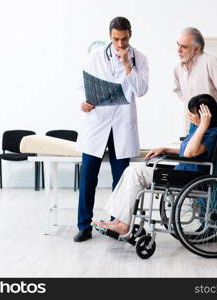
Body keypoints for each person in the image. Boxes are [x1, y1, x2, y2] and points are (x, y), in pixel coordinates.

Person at [92, 94, 217, 236]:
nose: (188, 114)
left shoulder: (210, 133)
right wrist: (165, 149)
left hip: (188, 178)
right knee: (130, 170)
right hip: (181, 173)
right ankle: (118, 221)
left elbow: (190, 153)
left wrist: (203, 125)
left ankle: (123, 224)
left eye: (192, 112)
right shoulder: (198, 130)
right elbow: (186, 150)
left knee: (136, 173)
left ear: (205, 115)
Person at [74, 17, 149, 242]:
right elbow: (81, 85)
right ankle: (84, 225)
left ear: (130, 35)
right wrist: (84, 101)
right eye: (116, 39)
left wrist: (128, 66)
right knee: (88, 177)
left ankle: (117, 225)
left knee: (122, 179)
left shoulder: (140, 59)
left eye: (124, 39)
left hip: (122, 125)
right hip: (97, 123)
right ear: (110, 36)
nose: (120, 44)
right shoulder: (95, 57)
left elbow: (142, 90)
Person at [174, 27, 217, 132]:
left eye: (184, 47)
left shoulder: (211, 63)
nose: (178, 50)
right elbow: (177, 90)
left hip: (215, 123)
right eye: (178, 44)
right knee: (187, 149)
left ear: (197, 48)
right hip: (195, 122)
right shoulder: (178, 67)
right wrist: (192, 110)